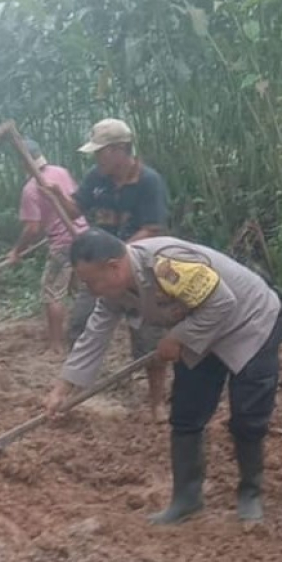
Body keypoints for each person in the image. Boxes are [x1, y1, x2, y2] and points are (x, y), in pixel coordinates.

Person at [44, 228, 282, 525]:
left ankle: (250, 494)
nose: (90, 290)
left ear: (114, 267)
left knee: (248, 413)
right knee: (186, 411)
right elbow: (95, 335)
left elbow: (223, 303)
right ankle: (186, 498)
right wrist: (62, 387)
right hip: (201, 332)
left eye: (91, 281)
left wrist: (178, 337)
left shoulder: (165, 265)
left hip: (249, 322)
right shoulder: (112, 292)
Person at [46, 117, 171, 419]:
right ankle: (75, 395)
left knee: (148, 336)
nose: (95, 158)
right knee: (81, 323)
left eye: (100, 152)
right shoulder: (95, 178)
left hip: (140, 268)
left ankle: (156, 403)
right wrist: (57, 195)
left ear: (119, 150)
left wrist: (121, 255)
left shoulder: (148, 182)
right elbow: (75, 210)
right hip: (99, 269)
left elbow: (154, 229)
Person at [7, 139, 89, 357]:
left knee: (53, 293)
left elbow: (32, 228)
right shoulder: (61, 172)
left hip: (63, 245)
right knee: (83, 289)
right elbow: (75, 204)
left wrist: (16, 251)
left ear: (23, 163)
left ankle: (55, 345)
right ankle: (86, 338)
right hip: (83, 237)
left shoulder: (31, 189)